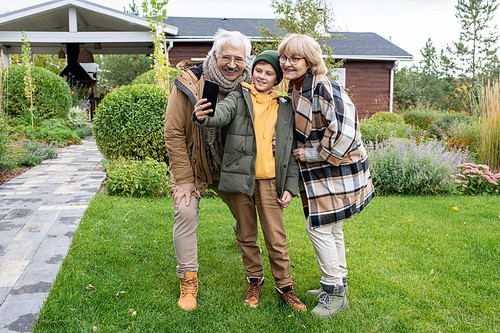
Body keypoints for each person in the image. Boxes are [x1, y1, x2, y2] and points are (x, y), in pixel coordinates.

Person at [192, 50, 306, 311]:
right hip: (240, 178)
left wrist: (289, 187)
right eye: (258, 70)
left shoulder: (285, 106)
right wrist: (203, 114)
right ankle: (254, 281)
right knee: (246, 235)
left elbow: (289, 149)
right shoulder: (239, 96)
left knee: (276, 237)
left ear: (276, 78)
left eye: (268, 73)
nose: (261, 76)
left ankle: (285, 286)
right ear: (252, 71)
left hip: (269, 182)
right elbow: (219, 115)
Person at [277, 34, 375, 318]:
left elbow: (346, 134)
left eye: (295, 58)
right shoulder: (298, 88)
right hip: (325, 172)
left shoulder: (325, 88)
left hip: (340, 169)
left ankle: (334, 293)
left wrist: (310, 154)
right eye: (284, 57)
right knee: (330, 227)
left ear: (309, 61)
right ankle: (338, 282)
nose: (287, 63)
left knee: (317, 227)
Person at [164, 29, 253, 311]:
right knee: (186, 211)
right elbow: (174, 132)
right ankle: (188, 280)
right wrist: (183, 180)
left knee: (247, 217)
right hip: (197, 165)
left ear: (246, 60)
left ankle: (242, 236)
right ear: (214, 55)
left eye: (238, 58)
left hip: (233, 166)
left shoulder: (254, 83)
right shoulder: (189, 83)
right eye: (225, 57)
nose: (231, 64)